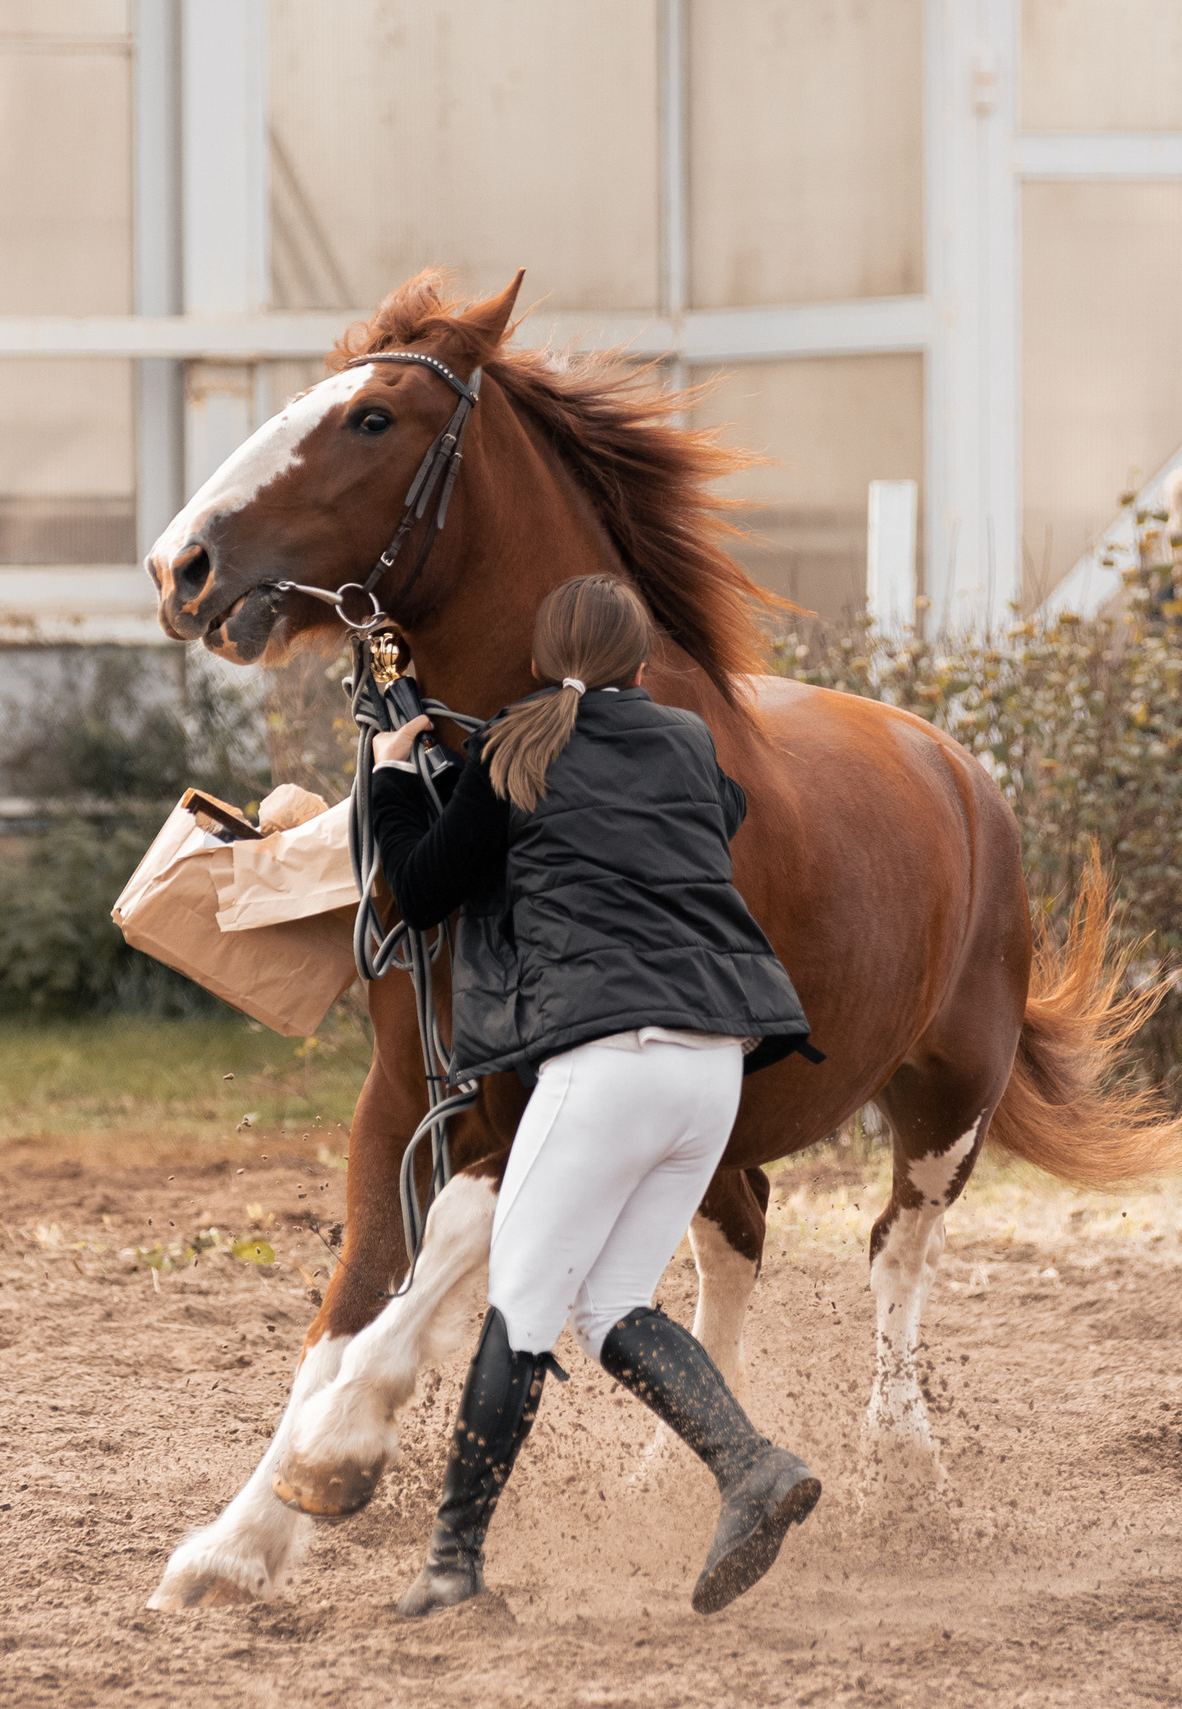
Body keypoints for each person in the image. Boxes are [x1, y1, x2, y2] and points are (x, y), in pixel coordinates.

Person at [365, 574, 821, 1620]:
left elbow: (420, 890)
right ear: (640, 659)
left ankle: (449, 1571)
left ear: (540, 655)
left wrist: (400, 777)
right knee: (608, 1300)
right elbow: (716, 813)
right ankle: (748, 1464)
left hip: (606, 1059)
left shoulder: (517, 746)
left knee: (521, 1310)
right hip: (711, 1062)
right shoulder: (688, 741)